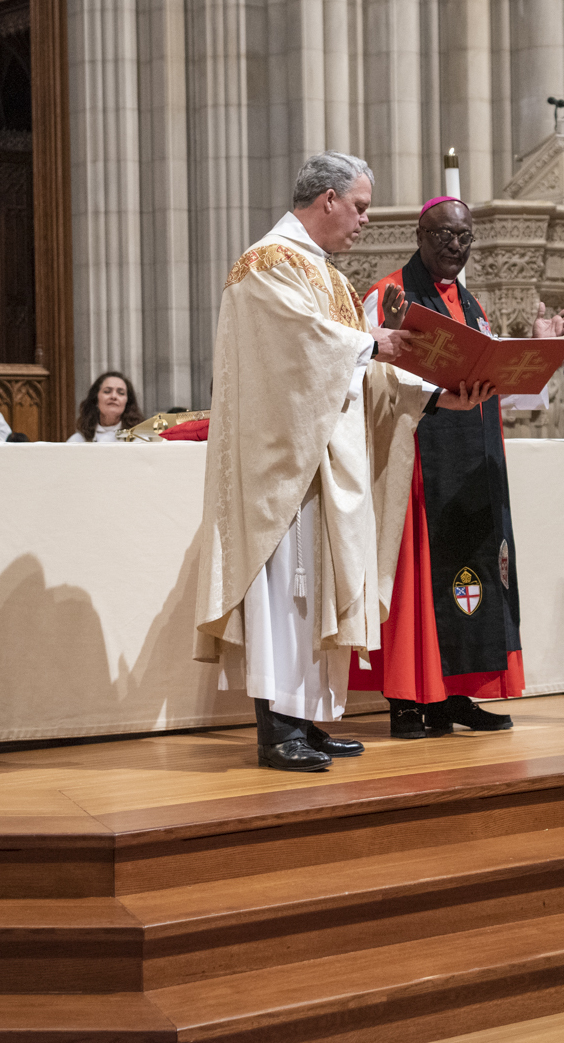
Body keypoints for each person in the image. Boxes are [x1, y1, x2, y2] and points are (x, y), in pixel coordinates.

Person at [194, 151, 428, 772]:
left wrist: (429, 390)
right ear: (326, 200)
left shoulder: (326, 274)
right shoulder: (266, 263)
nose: (365, 221)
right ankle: (279, 730)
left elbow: (357, 373)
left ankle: (308, 718)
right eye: (359, 207)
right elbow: (297, 346)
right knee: (289, 595)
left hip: (328, 457)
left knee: (321, 592)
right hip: (286, 467)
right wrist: (368, 340)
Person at [356, 195, 564, 738]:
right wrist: (435, 396)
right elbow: (370, 380)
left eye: (464, 238)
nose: (455, 246)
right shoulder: (389, 296)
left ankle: (455, 695)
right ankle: (409, 700)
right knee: (414, 580)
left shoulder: (472, 304)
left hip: (474, 466)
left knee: (478, 574)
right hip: (416, 467)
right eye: (444, 236)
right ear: (420, 236)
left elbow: (497, 389)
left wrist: (540, 353)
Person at [68, 371, 143, 442]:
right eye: (107, 391)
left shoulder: (140, 440)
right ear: (96, 399)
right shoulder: (77, 441)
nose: (113, 396)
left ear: (127, 402)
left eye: (121, 393)